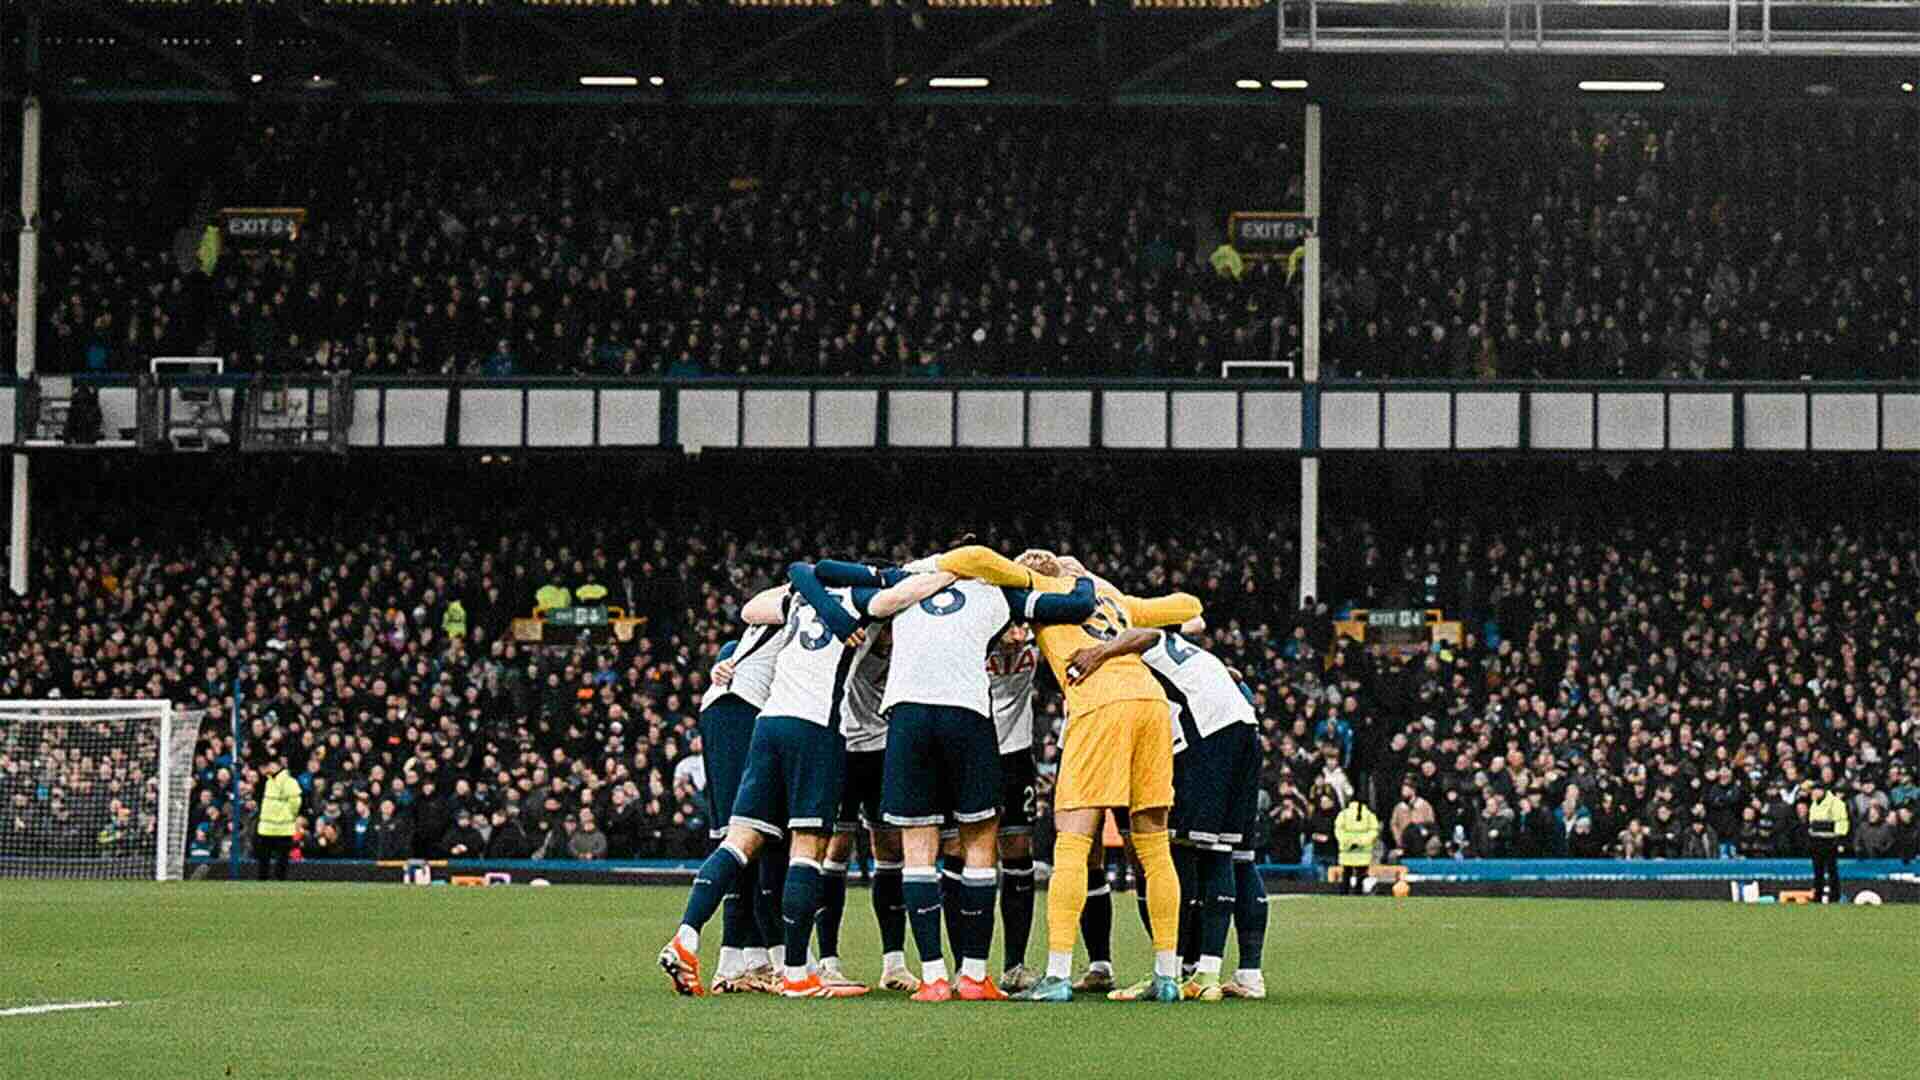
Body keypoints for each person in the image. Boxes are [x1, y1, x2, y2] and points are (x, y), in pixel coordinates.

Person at [658, 564, 954, 999]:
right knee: (807, 849)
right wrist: (952, 572)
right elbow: (898, 597)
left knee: (739, 842)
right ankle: (796, 973)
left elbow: (765, 600)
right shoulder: (859, 601)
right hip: (814, 729)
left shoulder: (797, 599)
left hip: (768, 724)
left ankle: (686, 937)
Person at [810, 553, 1095, 1002]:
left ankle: (933, 978)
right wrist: (1078, 579)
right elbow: (1079, 607)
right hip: (966, 714)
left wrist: (913, 572)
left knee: (918, 849)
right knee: (980, 843)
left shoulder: (905, 584)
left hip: (907, 717)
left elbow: (822, 570)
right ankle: (976, 977)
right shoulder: (999, 592)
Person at [934, 545, 1201, 1004]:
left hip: (1099, 708)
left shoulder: (1039, 591)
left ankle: (1057, 974)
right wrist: (1096, 577)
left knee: (1073, 844)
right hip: (1152, 707)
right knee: (1154, 848)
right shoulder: (1109, 598)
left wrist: (929, 568)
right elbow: (1188, 606)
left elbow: (975, 558)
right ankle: (1167, 974)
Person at [1065, 616, 1264, 1002]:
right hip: (1244, 728)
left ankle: (1174, 972)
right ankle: (1231, 973)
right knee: (1231, 853)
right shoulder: (1195, 655)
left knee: (1182, 850)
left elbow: (1148, 636)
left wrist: (1099, 652)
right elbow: (1233, 674)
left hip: (1206, 737)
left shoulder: (1136, 650)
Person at [695, 617, 790, 995]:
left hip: (730, 717)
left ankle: (748, 958)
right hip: (743, 715)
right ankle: (759, 961)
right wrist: (725, 661)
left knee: (747, 840)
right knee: (751, 837)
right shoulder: (793, 621)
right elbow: (735, 651)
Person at [256, 754, 301, 881]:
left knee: (277, 861)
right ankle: (270, 882)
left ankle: (270, 882)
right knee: (270, 861)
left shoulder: (288, 782)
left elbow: (295, 802)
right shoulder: (270, 781)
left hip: (279, 828)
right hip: (271, 828)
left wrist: (289, 816)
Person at [1807, 780, 1850, 903]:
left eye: (1816, 790)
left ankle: (1834, 896)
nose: (1814, 793)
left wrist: (1839, 840)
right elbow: (1812, 822)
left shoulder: (1836, 803)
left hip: (1830, 841)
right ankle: (1818, 896)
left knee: (1832, 871)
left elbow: (1842, 822)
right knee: (1818, 871)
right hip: (1816, 841)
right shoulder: (1815, 803)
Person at [1334, 795, 1380, 895]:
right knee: (1361, 875)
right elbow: (1374, 831)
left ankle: (1343, 895)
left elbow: (1338, 831)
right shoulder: (1369, 815)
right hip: (1363, 853)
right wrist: (1361, 841)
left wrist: (1350, 841)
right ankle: (1358, 895)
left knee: (1346, 875)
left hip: (1347, 851)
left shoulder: (1344, 814)